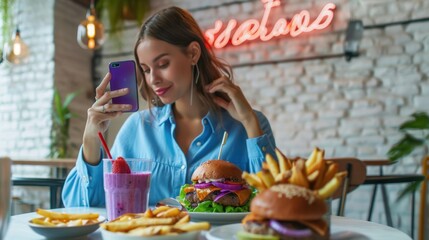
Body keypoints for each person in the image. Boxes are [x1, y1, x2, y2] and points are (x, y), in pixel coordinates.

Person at [62, 6, 276, 207]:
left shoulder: (250, 126)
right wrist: (91, 139)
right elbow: (79, 205)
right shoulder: (137, 128)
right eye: (146, 69)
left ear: (193, 53)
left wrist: (249, 122)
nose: (153, 79)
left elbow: (272, 204)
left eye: (163, 64)